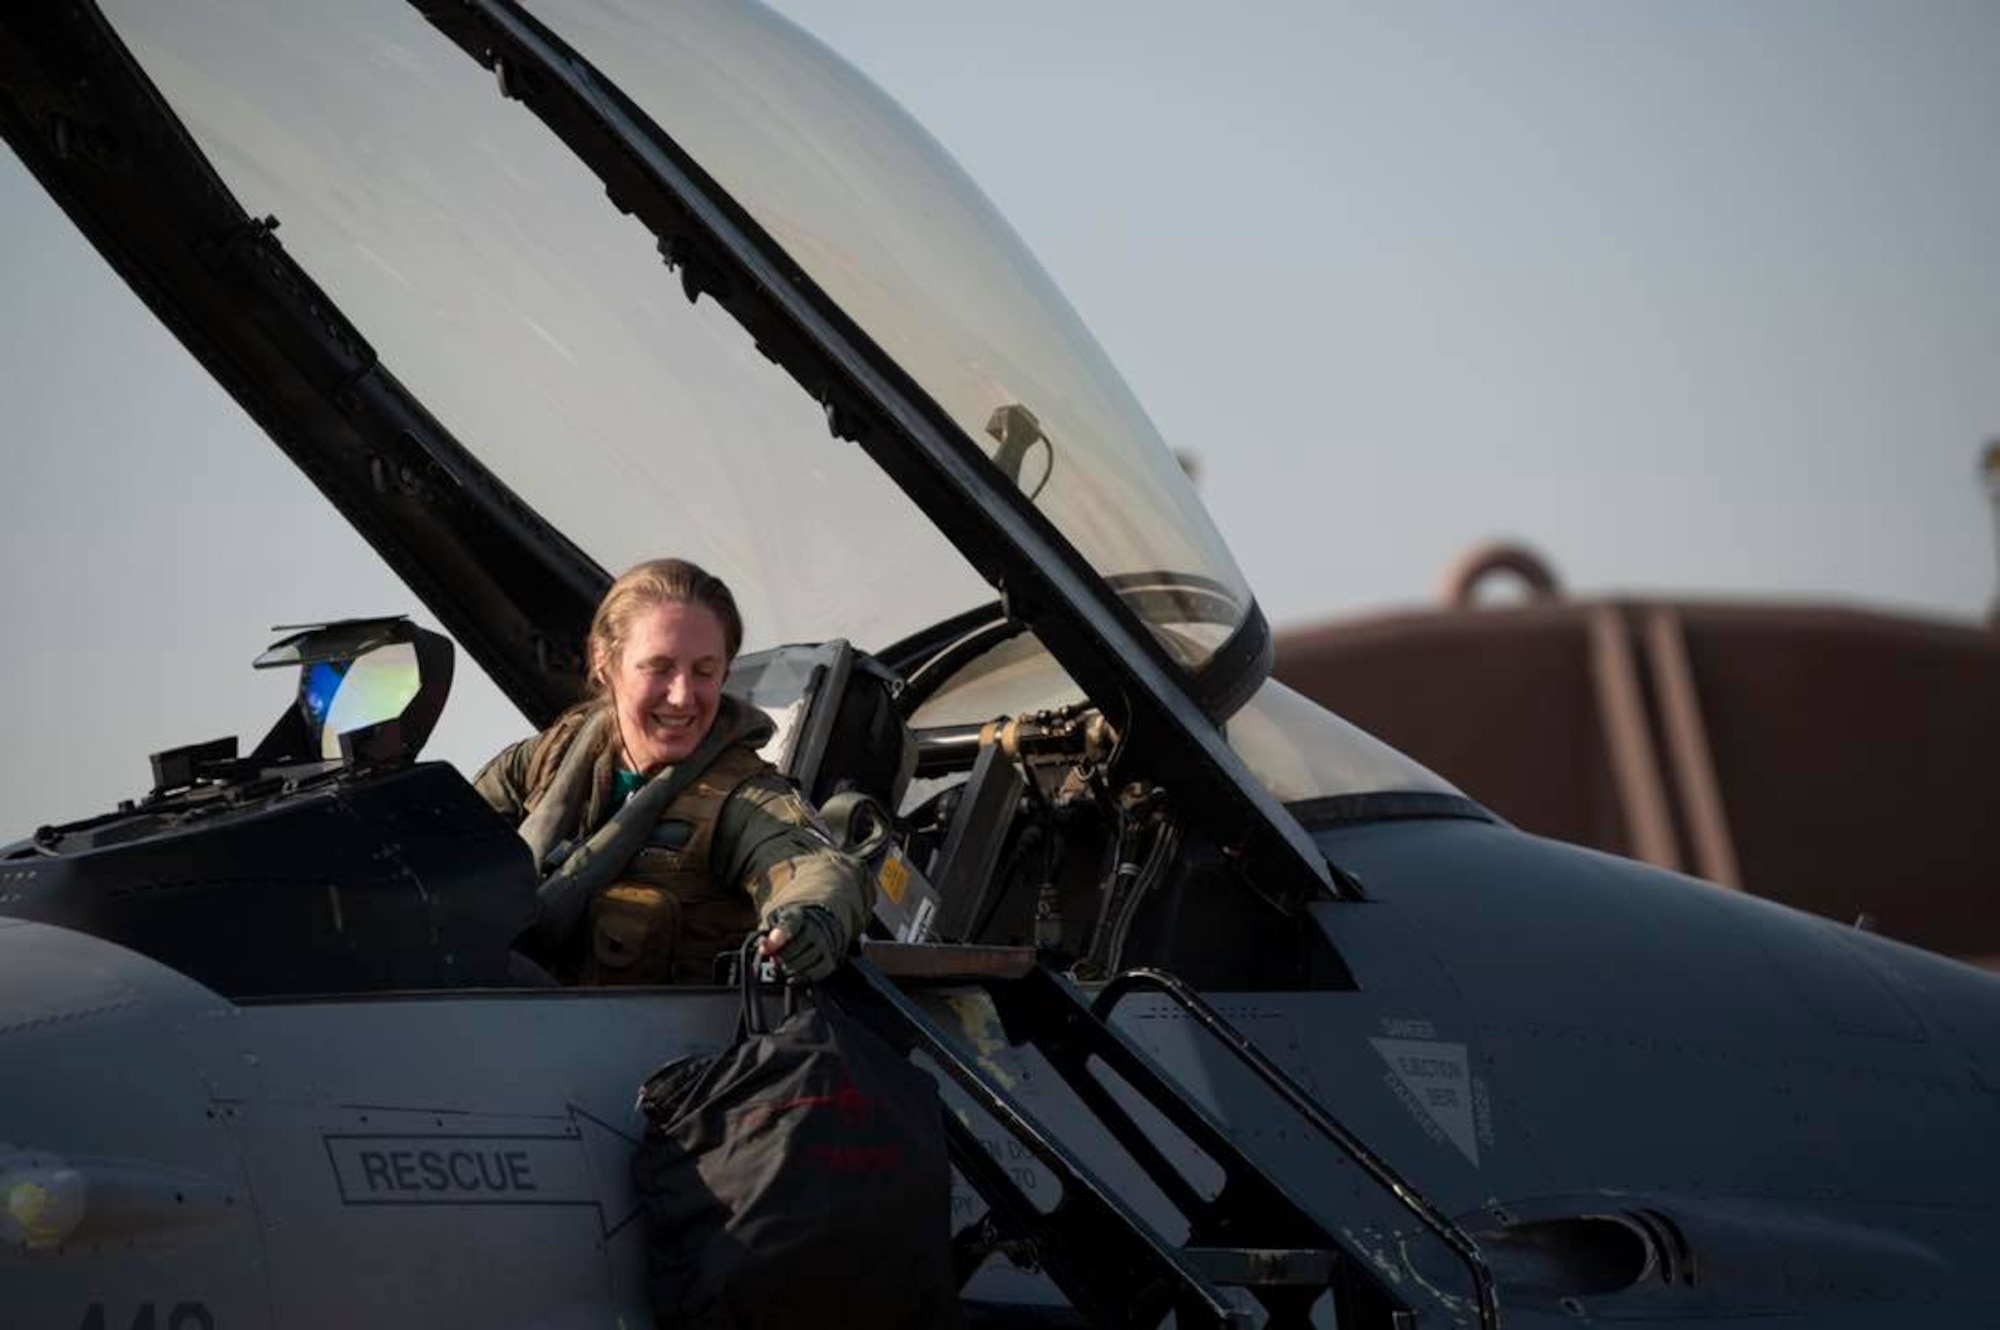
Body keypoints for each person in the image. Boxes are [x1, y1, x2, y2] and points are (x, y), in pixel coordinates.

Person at [474, 558, 872, 986]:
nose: (682, 697)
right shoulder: (552, 757)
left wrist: (810, 920)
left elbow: (814, 866)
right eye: (659, 668)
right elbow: (440, 840)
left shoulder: (741, 796)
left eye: (705, 671)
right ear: (604, 659)